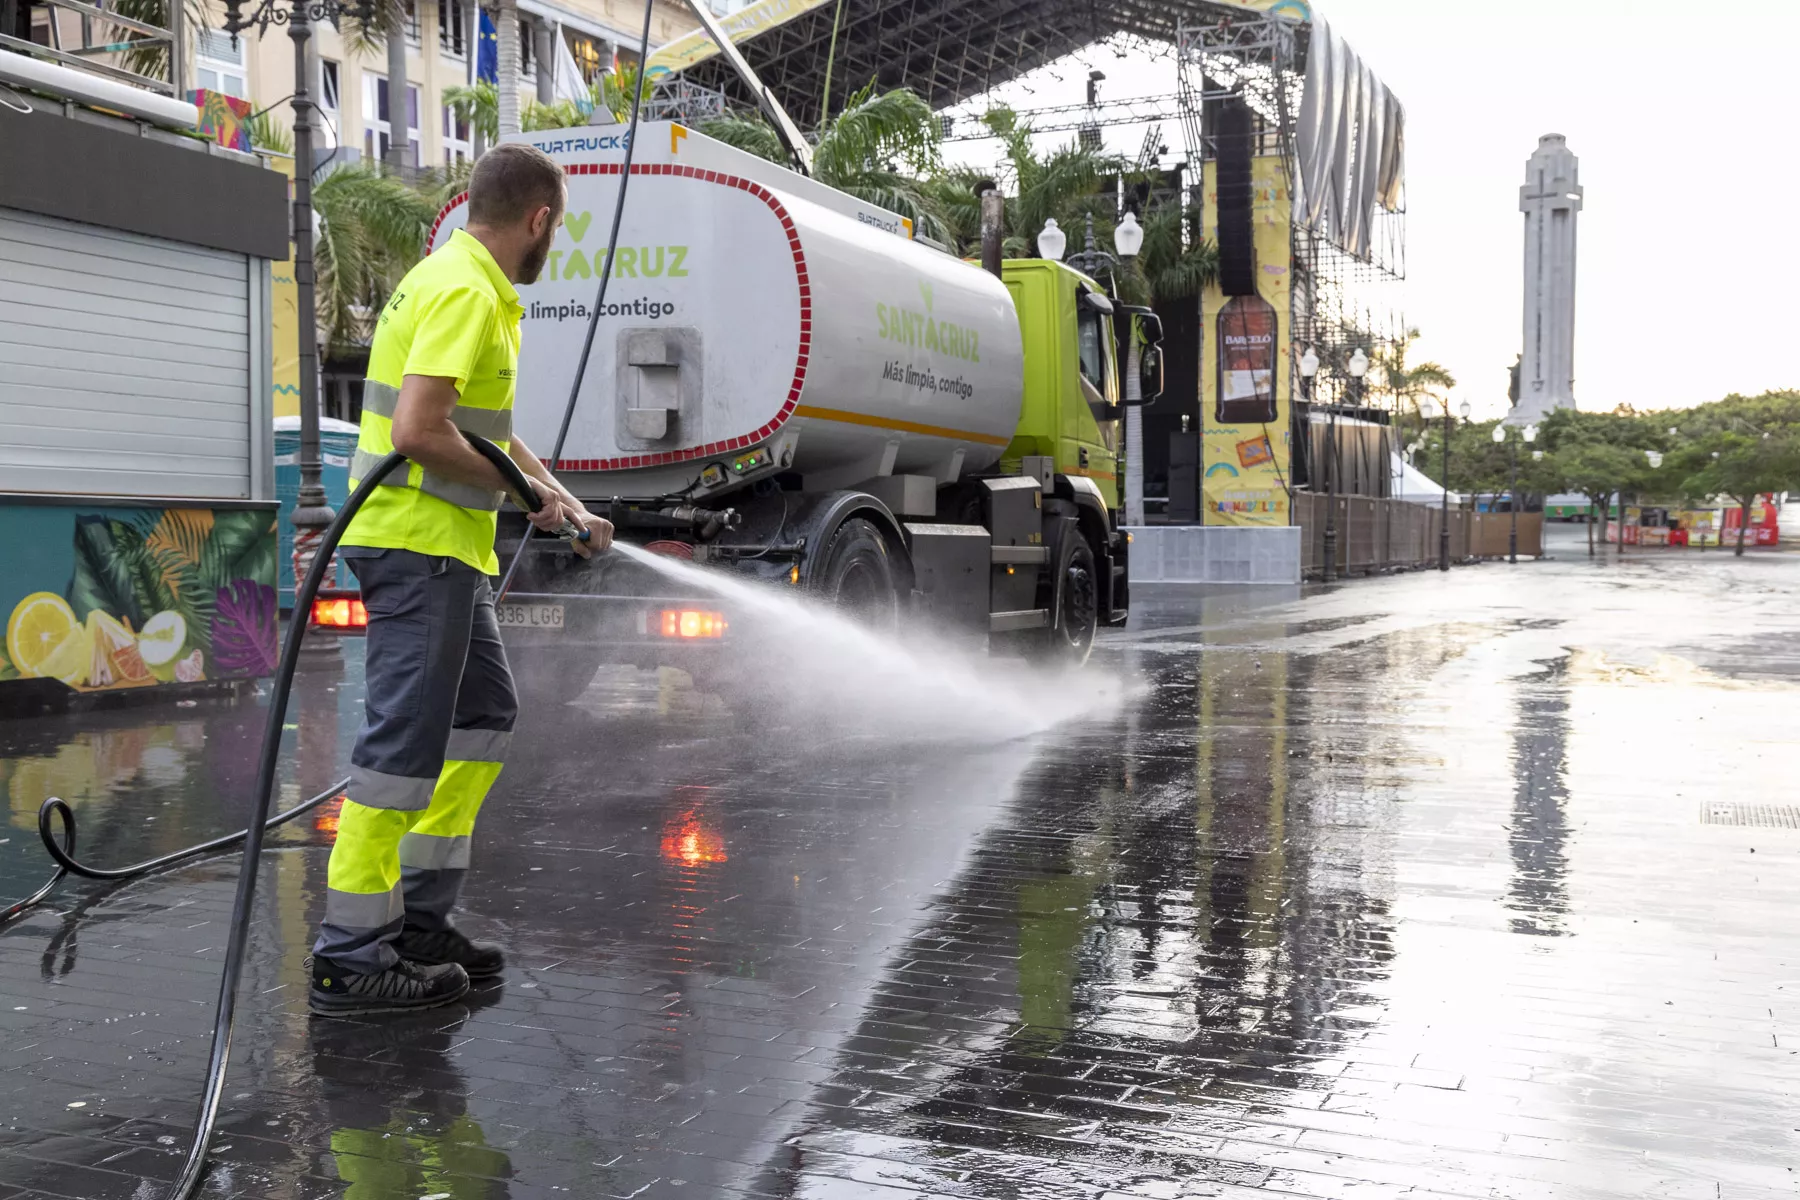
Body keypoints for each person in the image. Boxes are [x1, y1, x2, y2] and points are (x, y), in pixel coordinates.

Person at [310, 143, 612, 1016]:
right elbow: (418, 430)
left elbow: (484, 429)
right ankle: (350, 951)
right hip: (417, 545)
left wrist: (561, 499)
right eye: (556, 225)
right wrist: (525, 496)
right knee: (402, 751)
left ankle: (417, 922)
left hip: (450, 549)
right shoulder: (464, 289)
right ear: (539, 219)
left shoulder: (470, 282)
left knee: (484, 717)